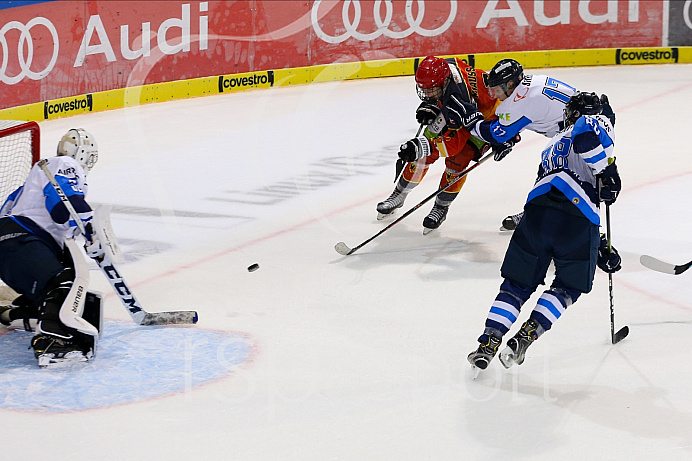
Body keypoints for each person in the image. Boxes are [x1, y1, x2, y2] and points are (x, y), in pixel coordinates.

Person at [466, 91, 622, 370]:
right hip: (576, 215)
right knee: (569, 285)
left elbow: (557, 188)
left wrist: (598, 245)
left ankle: (488, 342)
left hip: (536, 213)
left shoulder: (552, 144)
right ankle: (526, 335)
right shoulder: (593, 121)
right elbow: (587, 133)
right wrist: (606, 172)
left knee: (517, 284)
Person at [458, 59, 616, 231]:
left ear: (510, 84)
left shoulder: (518, 103)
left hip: (580, 136)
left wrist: (472, 123)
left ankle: (573, 229)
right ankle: (539, 212)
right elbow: (535, 112)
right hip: (595, 118)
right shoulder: (532, 82)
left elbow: (495, 134)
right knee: (558, 173)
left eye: (496, 89)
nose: (493, 94)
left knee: (561, 175)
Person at [0, 128, 103, 368]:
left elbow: (57, 216)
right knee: (64, 281)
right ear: (83, 153)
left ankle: (22, 312)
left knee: (55, 280)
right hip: (20, 239)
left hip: (11, 244)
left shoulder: (31, 184)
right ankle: (52, 340)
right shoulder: (63, 163)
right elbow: (62, 207)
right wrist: (91, 228)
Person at [376, 56, 500, 234]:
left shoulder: (459, 99)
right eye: (424, 90)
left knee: (457, 160)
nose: (426, 94)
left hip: (488, 120)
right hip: (463, 108)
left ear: (445, 82)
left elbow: (451, 145)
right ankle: (399, 194)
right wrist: (432, 104)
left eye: (431, 90)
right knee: (423, 152)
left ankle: (441, 206)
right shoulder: (445, 67)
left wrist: (419, 148)